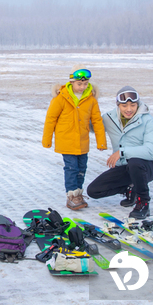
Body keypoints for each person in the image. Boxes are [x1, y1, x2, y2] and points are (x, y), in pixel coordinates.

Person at [86, 86, 153, 219]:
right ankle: (130, 190)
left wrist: (121, 152)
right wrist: (86, 107)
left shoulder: (147, 120)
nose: (129, 109)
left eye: (133, 105)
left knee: (135, 162)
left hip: (148, 166)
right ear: (118, 105)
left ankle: (143, 202)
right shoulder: (110, 118)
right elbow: (93, 126)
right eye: (124, 105)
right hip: (126, 167)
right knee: (93, 191)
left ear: (137, 104)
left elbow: (152, 151)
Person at [42, 67, 108, 210]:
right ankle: (71, 196)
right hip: (66, 141)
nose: (82, 87)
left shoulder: (91, 100)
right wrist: (47, 139)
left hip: (82, 142)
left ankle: (78, 194)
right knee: (71, 168)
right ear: (72, 82)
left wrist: (101, 141)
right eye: (79, 84)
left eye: (85, 84)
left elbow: (97, 121)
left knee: (81, 168)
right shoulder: (61, 98)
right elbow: (50, 119)